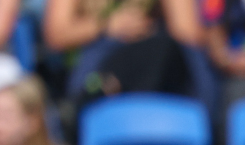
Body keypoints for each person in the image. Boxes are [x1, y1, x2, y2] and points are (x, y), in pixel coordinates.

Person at [43, 0, 213, 108]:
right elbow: (56, 36)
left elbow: (186, 31)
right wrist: (107, 25)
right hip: (97, 55)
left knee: (168, 51)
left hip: (149, 55)